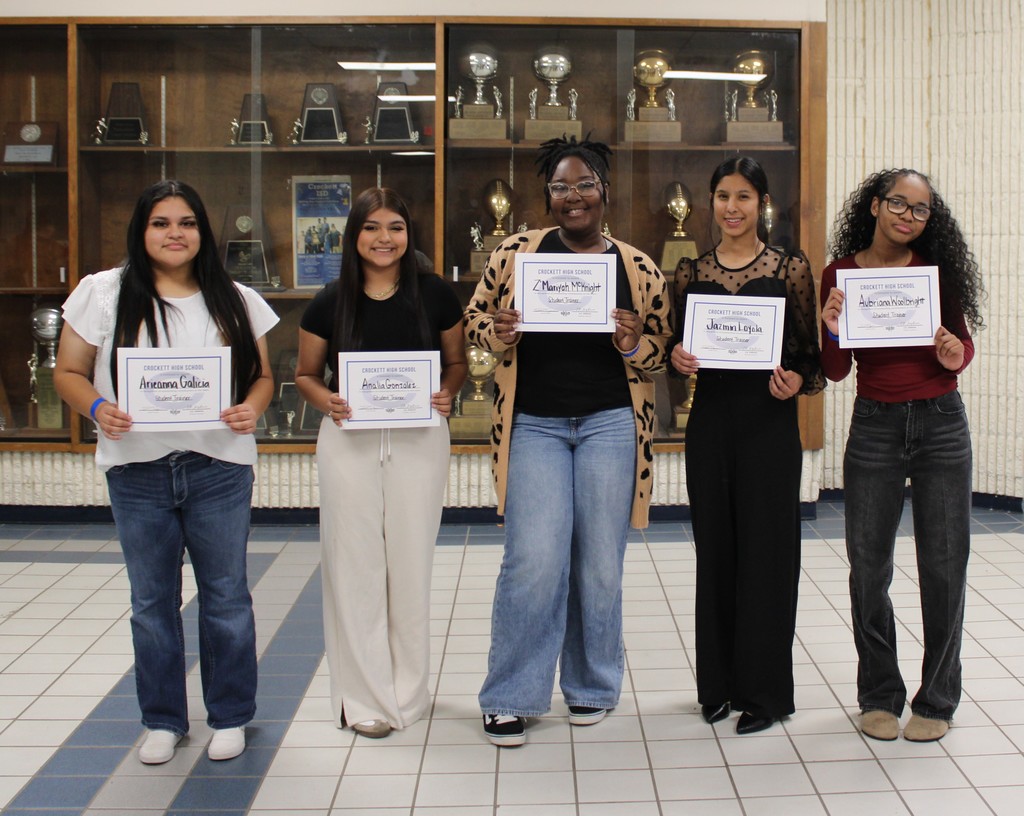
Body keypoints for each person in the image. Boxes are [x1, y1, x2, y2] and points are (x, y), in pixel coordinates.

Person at [53, 179, 278, 765]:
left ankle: (229, 716)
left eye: (186, 223)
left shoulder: (234, 296)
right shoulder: (102, 293)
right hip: (137, 469)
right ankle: (162, 720)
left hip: (218, 466)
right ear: (142, 230)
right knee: (151, 601)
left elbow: (262, 379)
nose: (174, 234)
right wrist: (100, 408)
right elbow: (69, 373)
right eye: (161, 223)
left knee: (226, 597)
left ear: (203, 233)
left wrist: (250, 407)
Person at [466, 136, 672, 747]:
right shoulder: (513, 255)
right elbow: (474, 320)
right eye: (561, 187)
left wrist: (634, 342)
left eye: (585, 186)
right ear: (548, 196)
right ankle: (510, 695)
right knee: (533, 559)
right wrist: (500, 330)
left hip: (611, 423)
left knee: (600, 563)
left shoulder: (637, 268)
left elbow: (661, 351)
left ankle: (592, 685)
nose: (573, 197)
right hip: (534, 424)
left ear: (604, 194)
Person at [295, 187, 466, 739]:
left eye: (395, 226)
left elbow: (457, 361)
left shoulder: (436, 294)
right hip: (349, 443)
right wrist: (330, 402)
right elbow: (305, 376)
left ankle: (408, 694)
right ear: (354, 236)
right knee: (356, 566)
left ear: (408, 234)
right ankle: (362, 698)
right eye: (371, 227)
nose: (384, 238)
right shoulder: (329, 300)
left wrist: (447, 392)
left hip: (419, 441)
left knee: (412, 566)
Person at [820, 169, 982, 742]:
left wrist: (953, 352)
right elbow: (836, 371)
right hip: (874, 427)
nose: (908, 217)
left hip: (940, 425)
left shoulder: (937, 276)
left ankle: (937, 698)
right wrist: (833, 327)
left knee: (944, 566)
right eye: (899, 205)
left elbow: (958, 351)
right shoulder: (839, 275)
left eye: (919, 211)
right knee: (869, 567)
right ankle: (879, 693)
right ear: (873, 205)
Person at [670, 156, 823, 735]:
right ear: (710, 202)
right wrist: (678, 359)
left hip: (768, 429)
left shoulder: (790, 270)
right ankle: (716, 686)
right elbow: (673, 353)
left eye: (744, 197)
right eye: (722, 196)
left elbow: (811, 361)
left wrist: (794, 381)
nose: (732, 208)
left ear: (763, 203)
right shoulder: (689, 273)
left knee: (768, 556)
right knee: (716, 553)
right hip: (710, 426)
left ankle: (764, 693)